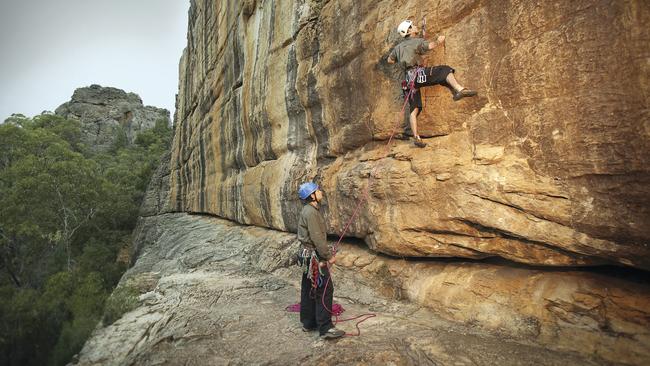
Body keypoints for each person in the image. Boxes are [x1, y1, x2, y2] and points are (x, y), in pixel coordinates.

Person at [387, 19, 478, 147]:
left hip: (408, 80)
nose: (415, 26)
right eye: (413, 26)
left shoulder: (397, 48)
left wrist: (404, 58)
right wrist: (438, 41)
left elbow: (390, 60)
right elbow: (430, 46)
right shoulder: (416, 41)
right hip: (418, 74)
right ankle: (459, 89)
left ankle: (416, 137)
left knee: (414, 109)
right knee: (444, 70)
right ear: (409, 31)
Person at [296, 182, 345, 339]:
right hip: (314, 258)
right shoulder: (311, 213)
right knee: (324, 289)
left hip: (307, 256)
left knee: (309, 288)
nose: (321, 192)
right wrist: (329, 256)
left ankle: (308, 323)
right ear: (312, 196)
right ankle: (325, 327)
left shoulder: (308, 210)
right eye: (318, 191)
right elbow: (317, 238)